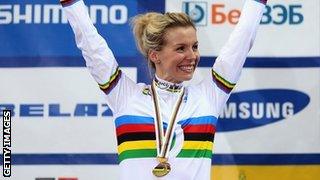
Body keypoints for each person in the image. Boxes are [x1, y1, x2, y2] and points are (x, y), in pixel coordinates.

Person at [60, 0, 267, 179]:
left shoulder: (208, 97)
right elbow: (92, 46)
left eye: (194, 46)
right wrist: (71, 4)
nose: (192, 56)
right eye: (181, 48)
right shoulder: (125, 96)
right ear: (154, 55)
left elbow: (240, 43)